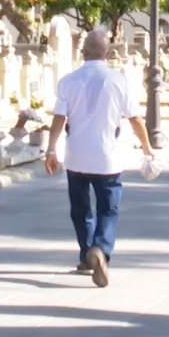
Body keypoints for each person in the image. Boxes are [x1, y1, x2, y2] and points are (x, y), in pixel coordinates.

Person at [45, 30, 154, 288]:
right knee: (108, 208)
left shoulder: (69, 81)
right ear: (108, 53)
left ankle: (86, 256)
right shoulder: (119, 81)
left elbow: (59, 118)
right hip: (107, 157)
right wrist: (147, 146)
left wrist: (51, 150)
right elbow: (135, 119)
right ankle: (101, 249)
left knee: (80, 210)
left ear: (83, 52)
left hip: (76, 156)